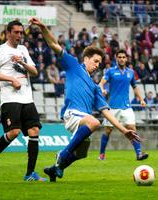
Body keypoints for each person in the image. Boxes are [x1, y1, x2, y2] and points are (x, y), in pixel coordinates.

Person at [29, 17, 141, 182]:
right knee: (95, 123)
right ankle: (62, 154)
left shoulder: (95, 87)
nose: (97, 65)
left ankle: (56, 169)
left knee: (82, 153)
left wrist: (124, 130)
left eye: (100, 63)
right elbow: (54, 45)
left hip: (82, 120)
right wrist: (44, 28)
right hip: (72, 114)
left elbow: (106, 111)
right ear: (86, 58)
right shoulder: (74, 66)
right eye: (95, 61)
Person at [0, 20, 46, 182]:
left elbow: (34, 72)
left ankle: (30, 174)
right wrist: (11, 79)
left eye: (21, 32)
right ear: (8, 32)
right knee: (14, 132)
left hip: (27, 98)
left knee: (34, 131)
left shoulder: (23, 49)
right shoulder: (0, 50)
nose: (20, 35)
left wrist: (22, 62)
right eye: (17, 32)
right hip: (10, 98)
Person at [98, 49, 148, 161]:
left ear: (126, 59)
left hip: (126, 107)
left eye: (123, 57)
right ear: (116, 58)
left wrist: (141, 99)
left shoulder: (130, 72)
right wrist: (102, 89)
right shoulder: (110, 71)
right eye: (119, 57)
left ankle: (139, 153)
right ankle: (101, 154)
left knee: (132, 130)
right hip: (112, 107)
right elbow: (101, 83)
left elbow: (135, 87)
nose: (121, 59)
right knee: (108, 131)